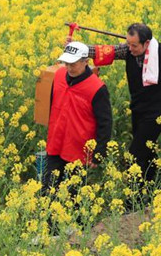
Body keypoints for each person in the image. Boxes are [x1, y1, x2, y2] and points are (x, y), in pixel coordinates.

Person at [87, 23, 161, 184]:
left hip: (158, 112)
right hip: (138, 109)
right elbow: (107, 51)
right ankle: (153, 184)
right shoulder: (129, 50)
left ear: (147, 43)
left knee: (135, 154)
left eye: (134, 45)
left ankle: (134, 192)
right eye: (128, 44)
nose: (130, 48)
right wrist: (77, 49)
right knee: (147, 150)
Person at [43, 41, 112, 194]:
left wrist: (99, 152)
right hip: (56, 143)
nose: (68, 67)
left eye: (73, 64)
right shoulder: (59, 75)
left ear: (85, 62)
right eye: (66, 63)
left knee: (76, 195)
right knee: (48, 190)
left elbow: (105, 123)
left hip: (79, 149)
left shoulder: (97, 88)